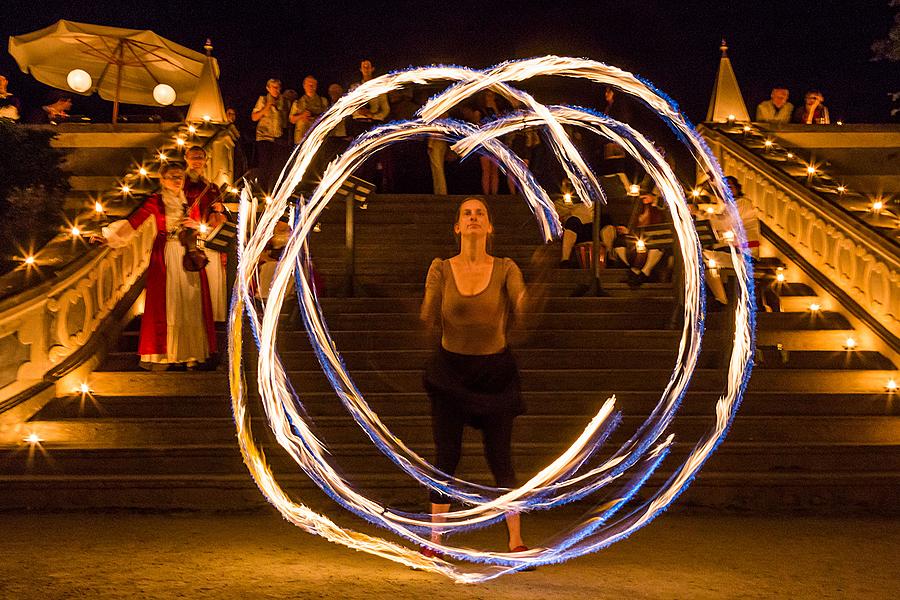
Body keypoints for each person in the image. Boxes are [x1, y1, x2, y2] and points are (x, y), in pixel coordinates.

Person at [420, 197, 530, 557]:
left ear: (489, 226)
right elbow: (428, 309)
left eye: (479, 213)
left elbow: (522, 304)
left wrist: (535, 295)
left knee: (500, 458)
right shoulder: (440, 268)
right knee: (446, 456)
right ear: (457, 227)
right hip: (451, 373)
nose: (473, 218)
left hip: (494, 374)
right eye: (466, 213)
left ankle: (515, 540)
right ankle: (435, 541)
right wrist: (423, 312)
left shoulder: (506, 267)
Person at [100, 163, 216, 369]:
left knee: (189, 301)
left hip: (187, 253)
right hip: (166, 254)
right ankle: (168, 354)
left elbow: (201, 227)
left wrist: (195, 225)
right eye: (172, 176)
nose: (177, 180)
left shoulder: (190, 200)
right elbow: (134, 223)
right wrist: (108, 237)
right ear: (162, 180)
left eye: (180, 176)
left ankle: (191, 353)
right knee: (169, 303)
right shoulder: (156, 201)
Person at [183, 145, 227, 322]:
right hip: (187, 237)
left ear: (206, 160)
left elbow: (221, 213)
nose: (197, 161)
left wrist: (220, 210)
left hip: (208, 235)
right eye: (193, 157)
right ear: (186, 159)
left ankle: (214, 316)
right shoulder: (182, 183)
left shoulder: (212, 187)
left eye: (200, 157)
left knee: (212, 276)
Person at [702, 176, 760, 308]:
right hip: (731, 251)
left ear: (737, 189)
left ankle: (722, 302)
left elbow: (723, 222)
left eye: (730, 187)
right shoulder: (726, 207)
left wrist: (700, 212)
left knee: (705, 258)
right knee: (705, 258)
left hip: (745, 254)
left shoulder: (743, 204)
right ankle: (719, 299)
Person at [251, 78, 287, 191]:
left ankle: (273, 191)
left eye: (278, 87)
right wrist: (267, 106)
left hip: (277, 138)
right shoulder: (263, 99)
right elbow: (254, 117)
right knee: (265, 165)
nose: (276, 90)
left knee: (276, 167)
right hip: (264, 136)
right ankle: (262, 191)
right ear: (268, 88)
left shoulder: (283, 101)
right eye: (273, 87)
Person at [289, 76, 329, 144]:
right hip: (301, 139)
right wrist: (302, 116)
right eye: (309, 84)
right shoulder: (297, 103)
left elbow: (328, 118)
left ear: (316, 86)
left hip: (317, 138)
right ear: (304, 86)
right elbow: (291, 120)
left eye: (313, 84)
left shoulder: (323, 101)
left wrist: (316, 118)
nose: (311, 86)